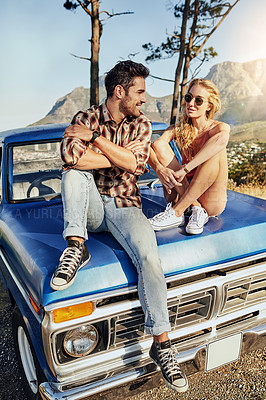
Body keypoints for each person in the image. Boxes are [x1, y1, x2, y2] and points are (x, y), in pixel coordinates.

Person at [50, 60, 188, 393]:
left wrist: (96, 140)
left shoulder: (140, 123)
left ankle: (162, 344)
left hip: (126, 204)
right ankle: (75, 246)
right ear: (120, 91)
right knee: (73, 174)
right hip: (92, 207)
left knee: (150, 259)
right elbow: (72, 160)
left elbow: (137, 164)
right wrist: (118, 155)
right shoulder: (83, 117)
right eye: (139, 91)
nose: (144, 98)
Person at [148, 78, 230, 234]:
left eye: (198, 100)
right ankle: (195, 208)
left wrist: (184, 169)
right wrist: (158, 169)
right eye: (188, 98)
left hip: (210, 199)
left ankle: (178, 212)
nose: (191, 103)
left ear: (209, 106)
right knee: (159, 145)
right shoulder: (178, 129)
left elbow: (221, 141)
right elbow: (155, 146)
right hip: (182, 192)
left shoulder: (218, 128)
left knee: (216, 149)